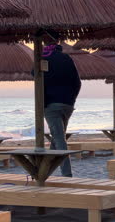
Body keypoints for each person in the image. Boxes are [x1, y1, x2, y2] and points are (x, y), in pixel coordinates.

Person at [41, 31, 81, 177]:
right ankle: (46, 169)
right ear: (58, 42)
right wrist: (72, 99)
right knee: (57, 137)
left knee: (59, 138)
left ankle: (67, 175)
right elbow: (77, 82)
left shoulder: (42, 58)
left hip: (50, 104)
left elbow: (35, 74)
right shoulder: (67, 58)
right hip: (67, 104)